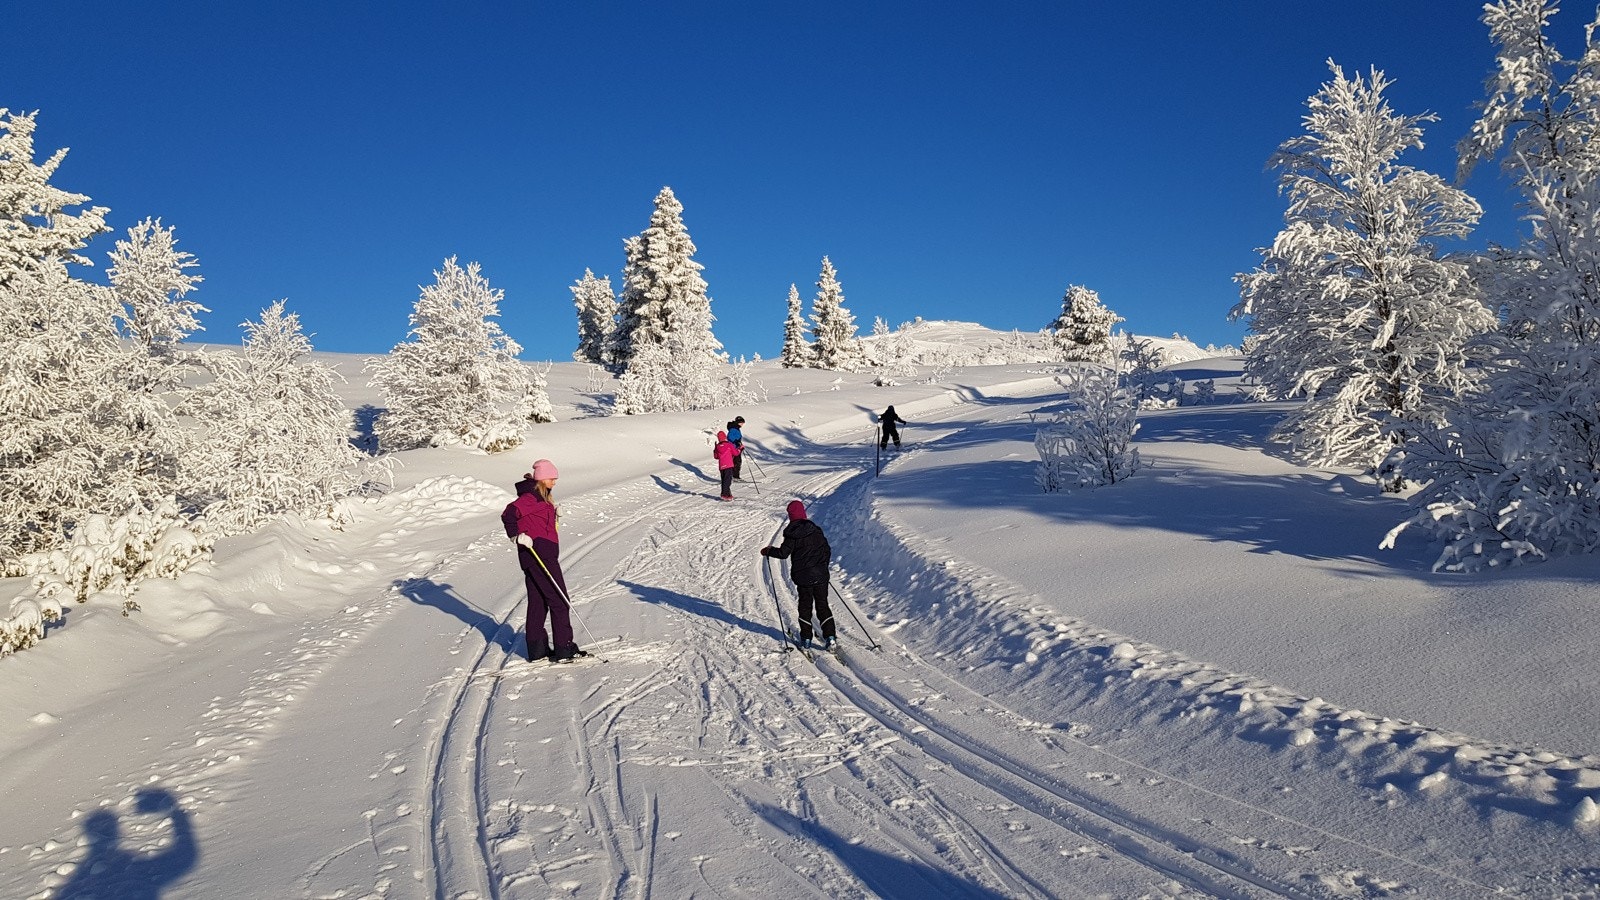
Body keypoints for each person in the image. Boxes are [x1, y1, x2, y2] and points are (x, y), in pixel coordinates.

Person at [501, 459, 586, 662]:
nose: (554, 482)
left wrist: (555, 515)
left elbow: (536, 522)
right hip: (539, 555)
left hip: (536, 554)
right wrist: (516, 536)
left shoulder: (541, 497)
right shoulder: (531, 497)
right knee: (559, 600)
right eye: (551, 478)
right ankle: (564, 648)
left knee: (538, 602)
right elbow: (508, 514)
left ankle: (537, 649)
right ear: (541, 479)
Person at [760, 499, 836, 650]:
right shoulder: (816, 530)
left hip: (803, 578)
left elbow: (783, 553)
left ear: (790, 516)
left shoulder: (792, 534)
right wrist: (822, 566)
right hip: (821, 575)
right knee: (822, 605)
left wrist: (768, 550)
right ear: (803, 513)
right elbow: (827, 550)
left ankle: (806, 639)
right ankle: (830, 637)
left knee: (805, 607)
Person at [713, 430, 740, 500]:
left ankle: (726, 494)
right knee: (728, 480)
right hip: (728, 465)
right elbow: (736, 453)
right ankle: (725, 494)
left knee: (724, 480)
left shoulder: (717, 446)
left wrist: (715, 449)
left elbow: (716, 457)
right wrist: (740, 449)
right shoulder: (729, 444)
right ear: (725, 437)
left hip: (721, 466)